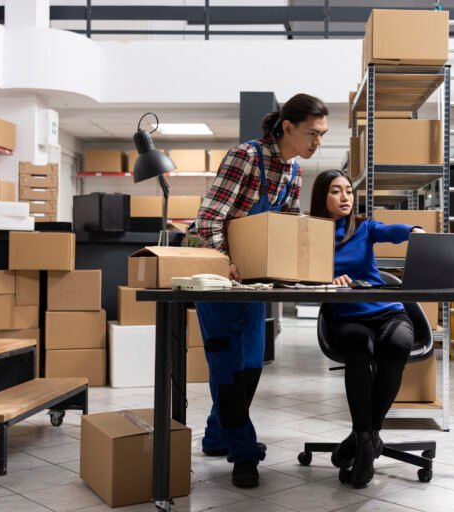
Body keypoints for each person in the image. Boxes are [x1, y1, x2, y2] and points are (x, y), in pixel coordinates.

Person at [194, 93, 329, 488]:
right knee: (230, 370)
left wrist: (296, 269)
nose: (317, 141)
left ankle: (216, 436)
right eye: (312, 133)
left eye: (322, 134)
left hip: (254, 284)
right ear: (288, 127)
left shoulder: (293, 172)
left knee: (248, 367)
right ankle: (244, 453)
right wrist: (225, 262)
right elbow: (208, 220)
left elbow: (282, 232)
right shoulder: (246, 157)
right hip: (222, 281)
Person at [309, 169, 426, 489]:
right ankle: (367, 439)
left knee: (398, 345)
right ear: (322, 197)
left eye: (348, 190)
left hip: (387, 312)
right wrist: (324, 280)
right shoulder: (309, 232)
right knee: (358, 348)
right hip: (346, 317)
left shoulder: (363, 227)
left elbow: (391, 230)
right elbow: (299, 272)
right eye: (336, 191)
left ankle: (364, 436)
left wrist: (413, 230)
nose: (345, 197)